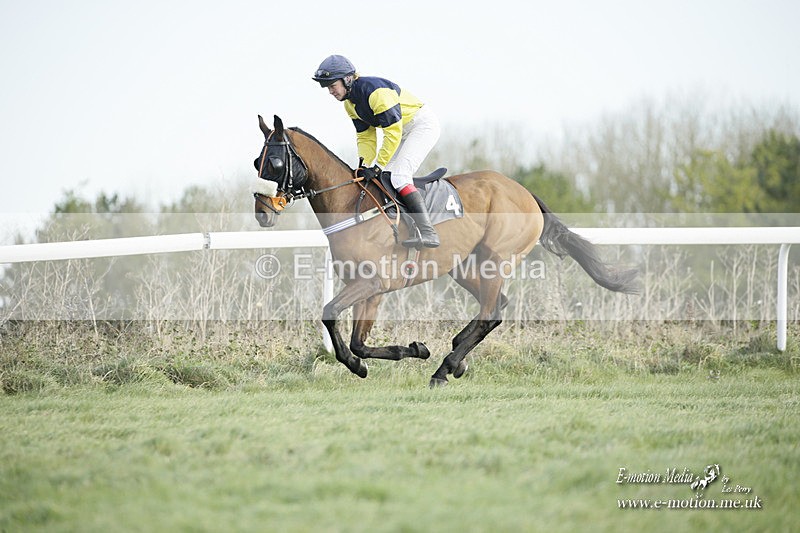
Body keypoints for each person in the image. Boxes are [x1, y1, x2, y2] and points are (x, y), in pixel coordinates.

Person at [312, 55, 440, 248]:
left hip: (421, 126)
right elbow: (366, 136)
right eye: (327, 87)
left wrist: (378, 166)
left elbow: (392, 133)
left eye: (332, 85)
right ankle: (406, 224)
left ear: (347, 79)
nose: (330, 91)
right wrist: (365, 165)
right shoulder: (350, 104)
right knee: (382, 179)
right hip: (401, 131)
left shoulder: (375, 93)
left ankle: (429, 232)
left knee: (399, 177)